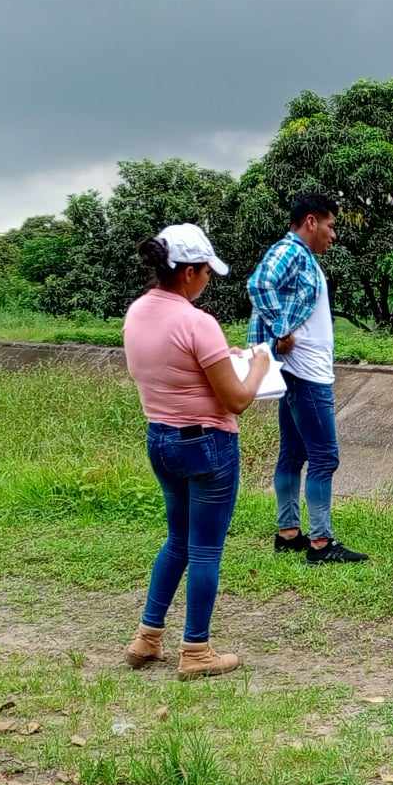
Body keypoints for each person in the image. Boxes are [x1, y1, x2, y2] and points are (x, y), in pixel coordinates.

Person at [120, 223, 273, 678]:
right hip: (207, 444)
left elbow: (177, 368)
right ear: (189, 272)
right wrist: (258, 365)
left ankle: (147, 637)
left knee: (177, 540)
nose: (208, 279)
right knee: (206, 549)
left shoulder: (137, 312)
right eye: (206, 271)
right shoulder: (197, 322)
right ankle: (196, 650)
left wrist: (223, 358)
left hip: (161, 438)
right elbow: (237, 400)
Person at [248, 190, 367, 565]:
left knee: (294, 453)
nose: (333, 234)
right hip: (307, 375)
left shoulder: (303, 257)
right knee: (324, 457)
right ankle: (321, 543)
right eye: (330, 225)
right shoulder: (292, 251)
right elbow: (259, 284)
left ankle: (288, 534)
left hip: (297, 371)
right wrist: (281, 329)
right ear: (311, 222)